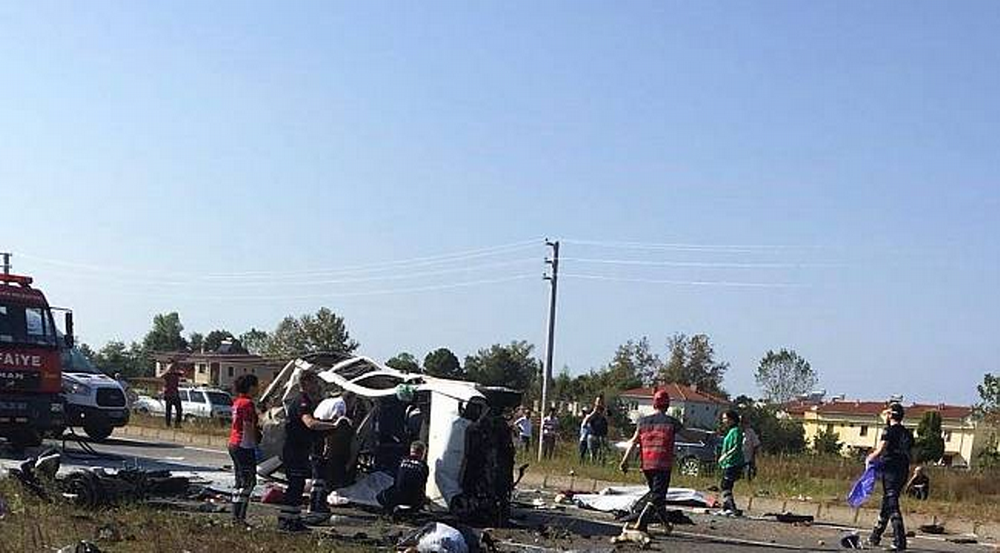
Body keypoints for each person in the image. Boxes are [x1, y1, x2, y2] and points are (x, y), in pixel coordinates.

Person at [279, 371, 338, 532]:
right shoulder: (302, 401)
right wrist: (334, 425)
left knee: (298, 486)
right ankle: (286, 521)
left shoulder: (308, 401)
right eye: (314, 382)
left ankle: (294, 519)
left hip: (301, 449)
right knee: (295, 485)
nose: (317, 386)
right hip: (294, 450)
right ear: (305, 383)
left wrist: (327, 428)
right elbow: (310, 423)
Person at [619, 389, 684, 534]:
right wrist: (706, 438)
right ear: (667, 405)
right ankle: (642, 523)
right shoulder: (672, 422)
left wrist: (625, 460)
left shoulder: (642, 422)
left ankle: (666, 525)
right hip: (663, 465)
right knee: (657, 496)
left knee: (657, 496)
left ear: (654, 404)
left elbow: (634, 442)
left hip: (647, 465)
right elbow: (688, 435)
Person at [866, 403, 914, 551]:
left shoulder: (889, 430)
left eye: (887, 413)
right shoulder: (907, 433)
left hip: (890, 470)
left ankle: (899, 541)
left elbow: (881, 449)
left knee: (892, 504)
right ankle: (875, 536)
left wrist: (870, 458)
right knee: (887, 501)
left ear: (891, 415)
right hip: (903, 470)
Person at [228, 374, 260, 524]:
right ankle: (239, 517)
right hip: (244, 444)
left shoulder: (237, 402)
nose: (258, 389)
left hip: (234, 442)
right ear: (251, 387)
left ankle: (236, 516)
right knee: (248, 481)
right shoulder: (247, 404)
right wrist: (255, 445)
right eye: (256, 386)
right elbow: (248, 426)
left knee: (240, 481)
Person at [377, 441, 430, 513]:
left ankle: (389, 511)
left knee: (380, 496)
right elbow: (422, 484)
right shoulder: (424, 466)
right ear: (422, 453)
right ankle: (411, 510)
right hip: (413, 499)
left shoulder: (402, 461)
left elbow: (396, 480)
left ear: (411, 451)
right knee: (423, 499)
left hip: (398, 496)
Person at [718, 410, 745, 516]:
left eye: (725, 418)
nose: (724, 421)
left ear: (732, 419)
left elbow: (736, 446)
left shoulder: (736, 431)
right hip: (728, 463)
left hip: (734, 463)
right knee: (726, 485)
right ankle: (726, 508)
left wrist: (725, 456)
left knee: (725, 485)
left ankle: (732, 508)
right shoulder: (731, 431)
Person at [586, 397, 609, 464]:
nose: (599, 403)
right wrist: (594, 412)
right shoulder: (591, 410)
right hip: (593, 435)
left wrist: (604, 413)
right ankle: (592, 465)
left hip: (602, 436)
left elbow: (610, 420)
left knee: (603, 453)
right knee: (593, 454)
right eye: (598, 402)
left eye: (601, 402)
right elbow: (587, 420)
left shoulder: (605, 411)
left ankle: (601, 465)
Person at [162, 363, 183, 428]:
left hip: (175, 393)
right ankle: (168, 424)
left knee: (179, 409)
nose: (173, 369)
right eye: (172, 368)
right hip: (169, 394)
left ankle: (177, 423)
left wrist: (177, 369)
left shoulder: (176, 374)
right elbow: (161, 376)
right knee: (168, 410)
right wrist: (168, 369)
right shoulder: (167, 375)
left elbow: (182, 373)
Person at [741, 417, 761, 481]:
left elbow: (756, 445)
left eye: (743, 423)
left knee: (749, 473)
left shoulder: (750, 432)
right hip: (738, 458)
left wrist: (754, 457)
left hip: (748, 458)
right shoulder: (736, 432)